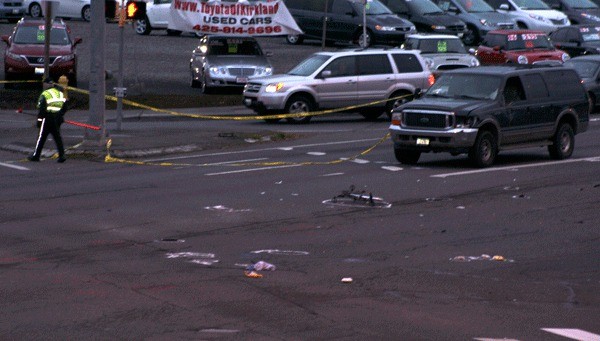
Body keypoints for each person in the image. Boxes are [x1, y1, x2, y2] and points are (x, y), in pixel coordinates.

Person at [28, 78, 68, 163]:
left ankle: (36, 156)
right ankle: (62, 155)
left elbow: (42, 109)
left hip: (47, 118)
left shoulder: (45, 94)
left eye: (44, 83)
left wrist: (39, 120)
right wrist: (59, 115)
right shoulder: (60, 93)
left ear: (46, 84)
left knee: (41, 138)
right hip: (57, 119)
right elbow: (65, 107)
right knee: (58, 138)